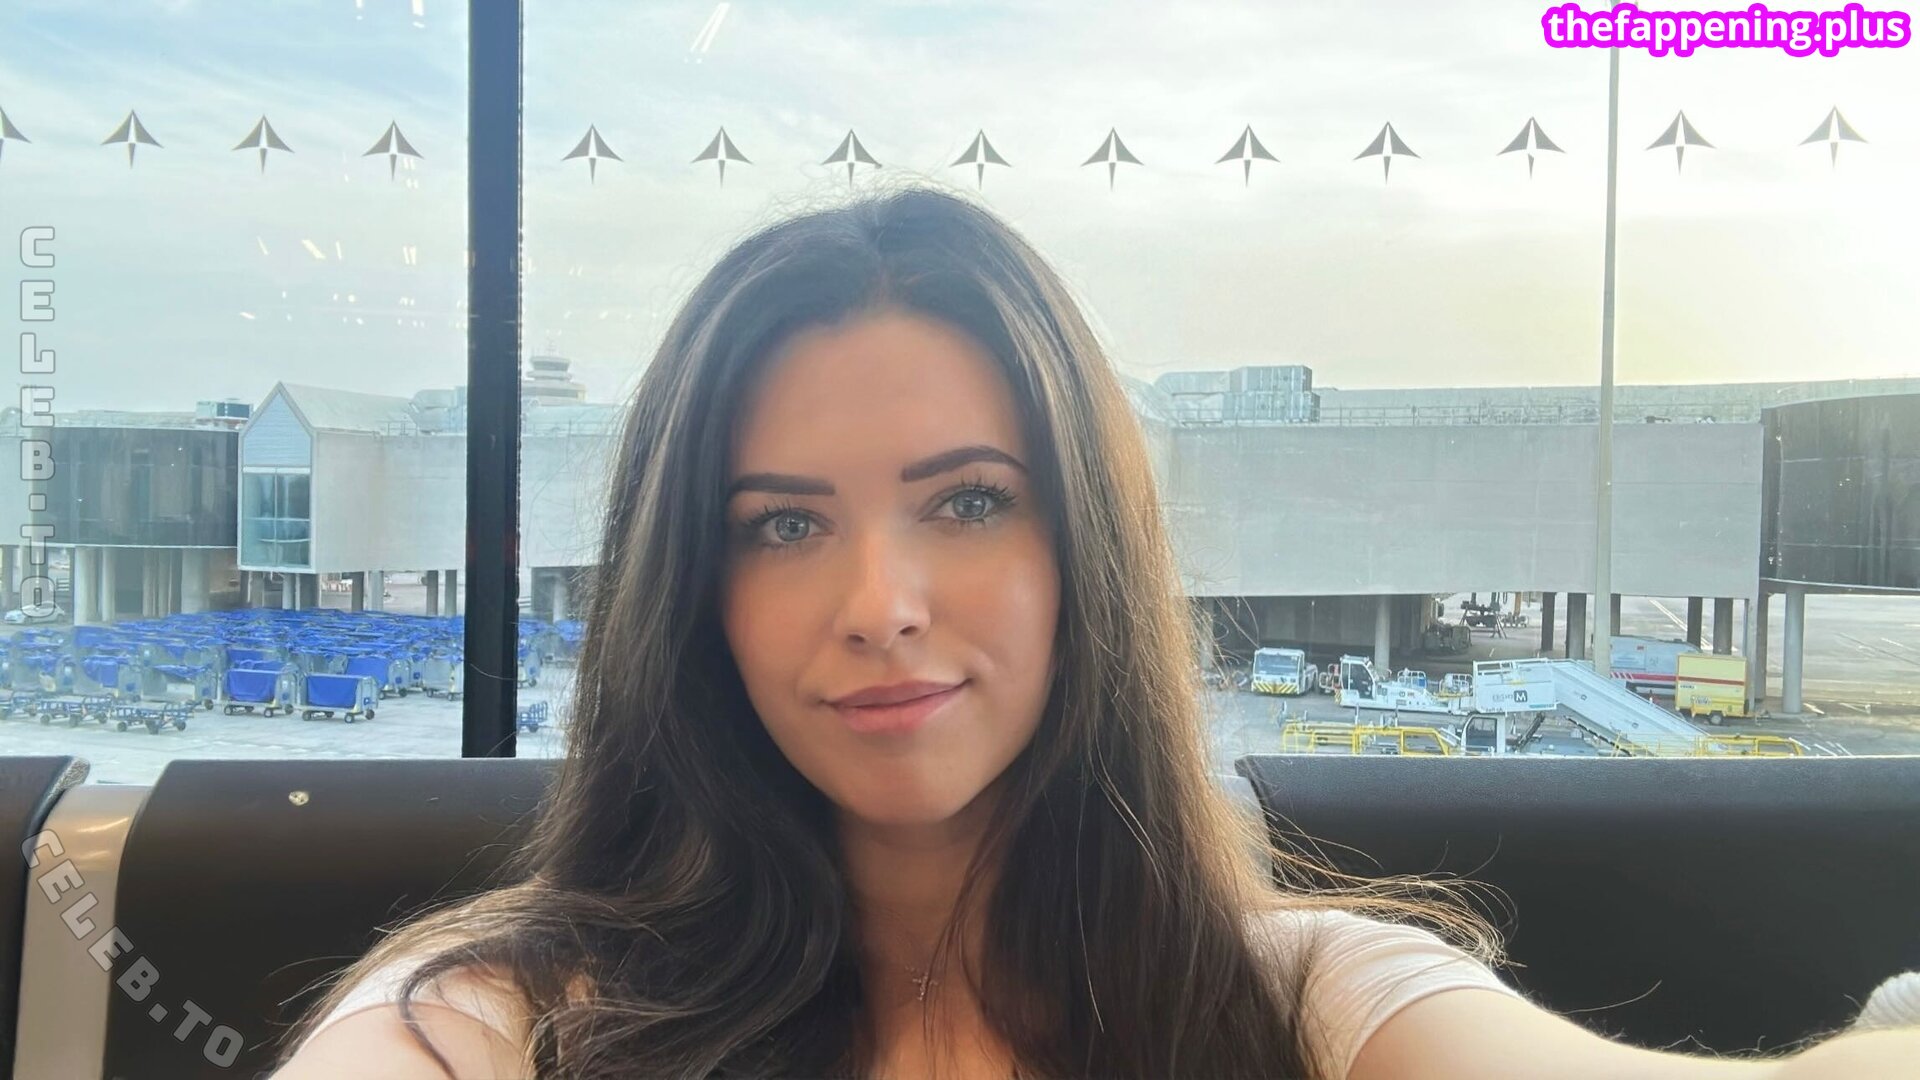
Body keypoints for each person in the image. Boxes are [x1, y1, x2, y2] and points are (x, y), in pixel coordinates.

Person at [271, 186, 1915, 1079]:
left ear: (1089, 554)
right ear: (688, 593)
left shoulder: (1299, 1008)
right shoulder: (512, 1020)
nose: (880, 604)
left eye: (969, 501)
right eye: (783, 524)